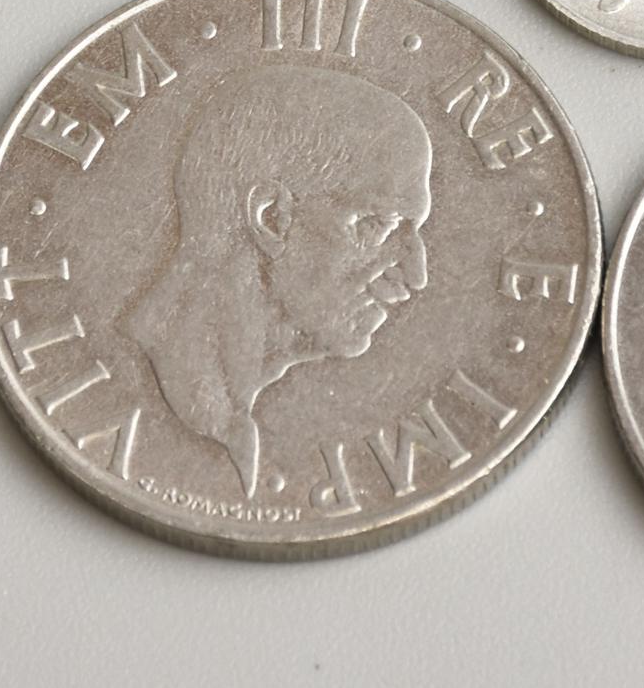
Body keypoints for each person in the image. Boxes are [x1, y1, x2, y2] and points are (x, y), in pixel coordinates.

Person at [125, 64, 432, 497]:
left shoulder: (229, 420)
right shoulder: (144, 391)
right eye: (377, 225)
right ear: (271, 218)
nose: (415, 277)